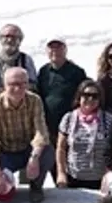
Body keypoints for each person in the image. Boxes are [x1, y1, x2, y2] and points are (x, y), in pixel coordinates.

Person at [0, 67, 53, 203]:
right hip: (5, 153)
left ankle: (36, 187)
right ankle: (8, 184)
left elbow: (41, 131)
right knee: (3, 196)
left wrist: (34, 157)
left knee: (48, 152)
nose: (18, 88)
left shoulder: (35, 100)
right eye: (13, 84)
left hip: (28, 150)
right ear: (4, 85)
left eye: (22, 84)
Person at [37, 37, 89, 173]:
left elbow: (84, 97)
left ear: (65, 50)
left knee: (70, 160)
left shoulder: (77, 72)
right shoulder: (43, 71)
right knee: (52, 161)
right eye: (51, 48)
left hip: (70, 126)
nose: (55, 51)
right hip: (49, 126)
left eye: (59, 47)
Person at [56, 80, 112, 189]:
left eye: (95, 96)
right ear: (79, 97)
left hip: (100, 181)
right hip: (73, 178)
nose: (90, 99)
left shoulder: (108, 120)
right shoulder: (68, 118)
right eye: (86, 95)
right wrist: (61, 173)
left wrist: (108, 175)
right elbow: (61, 148)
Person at [0, 24, 39, 101]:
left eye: (14, 37)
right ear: (0, 39)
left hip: (21, 103)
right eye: (6, 36)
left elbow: (34, 84)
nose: (9, 40)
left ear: (20, 40)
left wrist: (18, 89)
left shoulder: (25, 59)